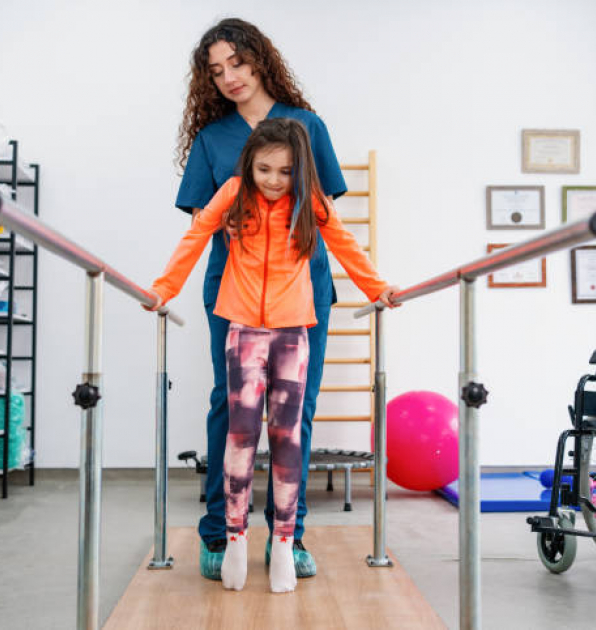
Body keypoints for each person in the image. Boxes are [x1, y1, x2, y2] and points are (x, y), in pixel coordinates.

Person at [148, 118, 398, 592]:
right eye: (264, 169)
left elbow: (345, 245)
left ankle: (283, 543)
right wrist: (164, 289)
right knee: (239, 440)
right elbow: (195, 237)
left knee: (287, 441)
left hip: (292, 333)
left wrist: (378, 288)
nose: (273, 180)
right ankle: (237, 538)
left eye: (284, 172)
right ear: (250, 164)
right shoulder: (235, 192)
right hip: (242, 331)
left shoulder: (310, 202)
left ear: (298, 170)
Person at [175, 17, 346, 580]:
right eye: (216, 70)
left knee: (296, 413)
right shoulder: (212, 138)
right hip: (233, 288)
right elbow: (202, 218)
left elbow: (325, 215)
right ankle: (219, 534)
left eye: (237, 63)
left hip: (304, 287)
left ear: (260, 59)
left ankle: (287, 535)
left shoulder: (306, 125)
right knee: (230, 406)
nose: (229, 77)